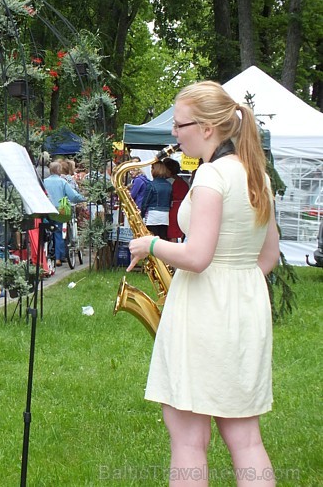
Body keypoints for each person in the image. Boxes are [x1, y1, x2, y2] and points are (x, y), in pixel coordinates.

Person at [127, 81, 279, 485]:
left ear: (208, 128)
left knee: (189, 438)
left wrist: (151, 244)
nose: (174, 134)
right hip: (246, 309)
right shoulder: (257, 176)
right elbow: (269, 257)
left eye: (180, 125)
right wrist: (236, 286)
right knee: (245, 436)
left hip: (204, 313)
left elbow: (197, 256)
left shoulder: (212, 176)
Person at [43, 161, 85, 266]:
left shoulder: (44, 182)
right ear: (59, 170)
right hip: (60, 210)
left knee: (47, 232)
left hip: (46, 210)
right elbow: (73, 196)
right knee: (59, 233)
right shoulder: (62, 182)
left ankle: (46, 256)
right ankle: (58, 258)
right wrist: (82, 199)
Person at [140, 160, 173, 240]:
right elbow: (170, 202)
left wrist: (141, 215)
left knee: (151, 237)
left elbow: (145, 202)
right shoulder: (169, 185)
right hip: (165, 215)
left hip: (152, 214)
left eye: (152, 168)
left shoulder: (151, 185)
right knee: (162, 237)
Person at [165, 158, 190, 242]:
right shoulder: (184, 181)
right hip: (183, 207)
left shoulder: (168, 182)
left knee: (172, 233)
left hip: (172, 208)